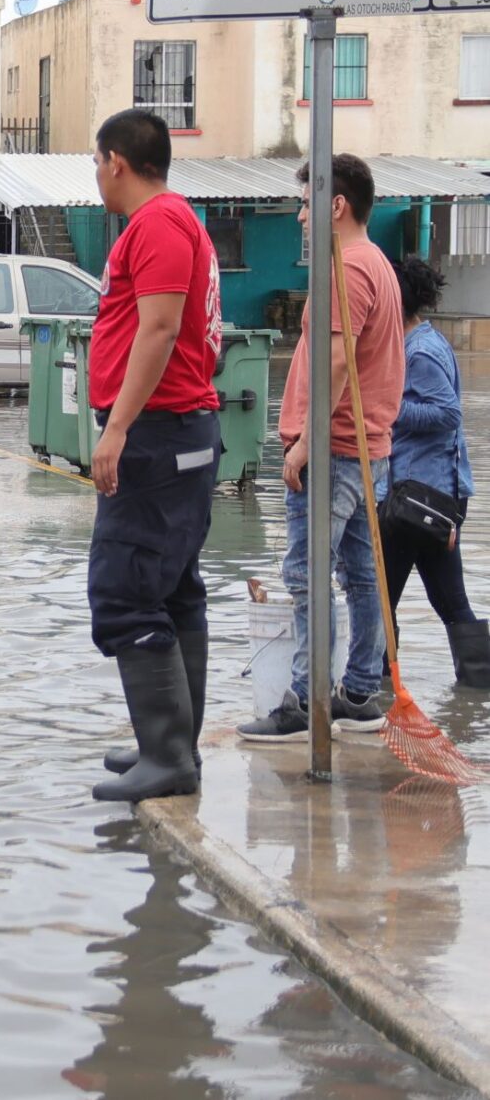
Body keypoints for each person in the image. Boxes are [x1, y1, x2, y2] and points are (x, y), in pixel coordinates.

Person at [237, 154, 404, 744]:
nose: (301, 216)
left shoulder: (348, 268)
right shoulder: (375, 263)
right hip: (366, 450)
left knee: (309, 577)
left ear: (337, 205)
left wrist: (304, 442)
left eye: (308, 204)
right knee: (359, 577)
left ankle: (307, 702)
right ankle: (358, 695)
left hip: (333, 449)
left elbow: (335, 361)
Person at [86, 108, 223, 804]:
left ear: (117, 161)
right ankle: (167, 744)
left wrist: (118, 430)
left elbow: (162, 326)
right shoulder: (176, 222)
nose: (98, 177)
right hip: (176, 434)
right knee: (172, 591)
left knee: (124, 590)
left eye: (97, 163)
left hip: (160, 436)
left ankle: (169, 755)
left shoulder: (161, 223)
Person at [381, 256, 489, 687]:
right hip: (432, 494)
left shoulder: (421, 351)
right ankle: (477, 692)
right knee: (449, 598)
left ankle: (371, 688)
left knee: (378, 595)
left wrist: (387, 409)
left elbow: (447, 413)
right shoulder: (418, 343)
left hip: (420, 496)